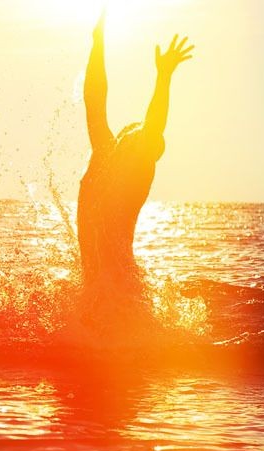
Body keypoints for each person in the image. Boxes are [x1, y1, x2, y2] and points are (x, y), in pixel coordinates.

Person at [78, 12, 193, 296]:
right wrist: (97, 44)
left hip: (119, 284)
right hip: (97, 284)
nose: (134, 134)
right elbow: (95, 99)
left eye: (141, 137)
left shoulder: (135, 176)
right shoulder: (106, 154)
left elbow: (154, 124)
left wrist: (164, 78)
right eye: (133, 131)